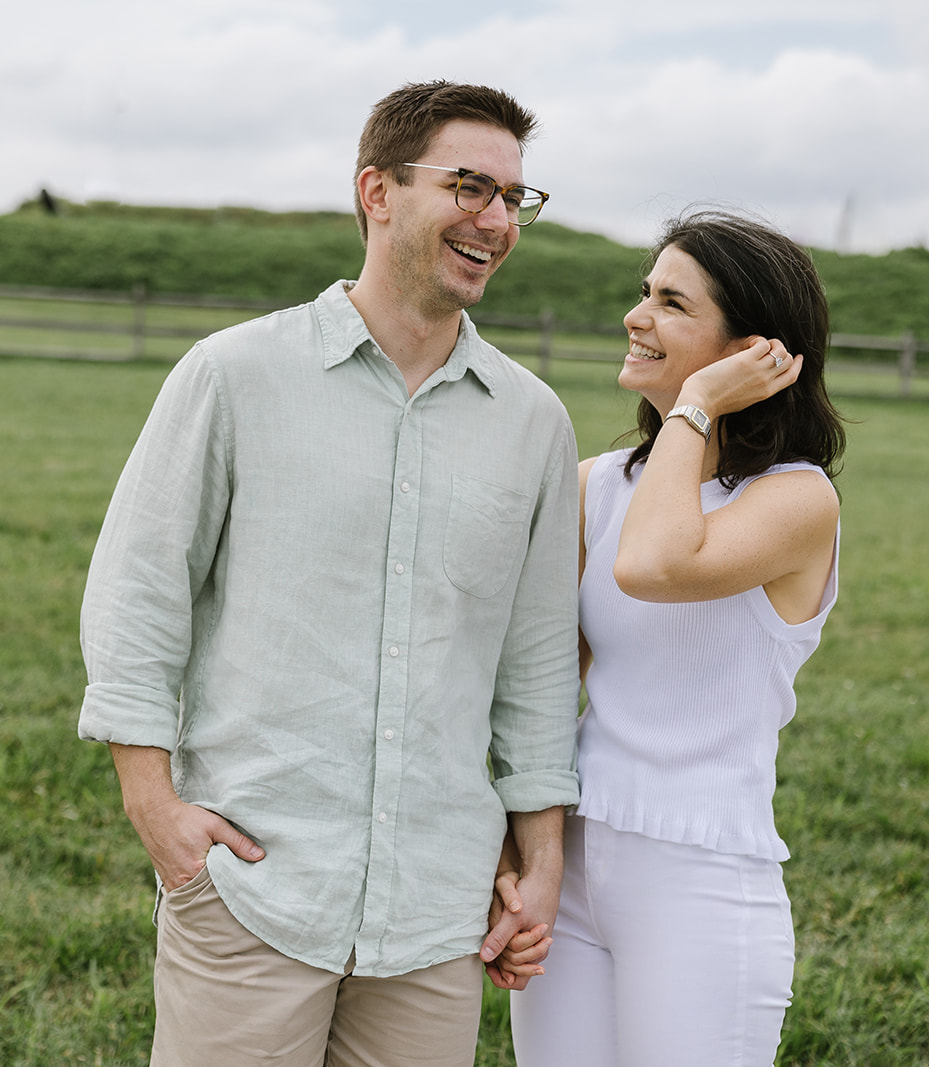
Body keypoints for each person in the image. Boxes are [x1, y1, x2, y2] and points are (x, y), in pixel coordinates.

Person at [76, 81, 580, 1067]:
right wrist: (155, 809)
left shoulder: (533, 424)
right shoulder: (232, 374)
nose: (495, 220)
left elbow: (536, 664)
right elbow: (139, 591)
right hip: (252, 887)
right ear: (376, 192)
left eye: (513, 198)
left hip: (437, 911)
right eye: (470, 186)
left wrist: (541, 857)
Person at [500, 210, 847, 1065]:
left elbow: (655, 564)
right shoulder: (597, 485)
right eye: (642, 292)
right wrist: (518, 854)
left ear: (750, 349)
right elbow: (542, 683)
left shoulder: (799, 502)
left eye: (670, 301)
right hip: (574, 866)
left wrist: (695, 404)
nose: (636, 315)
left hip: (702, 878)